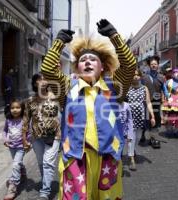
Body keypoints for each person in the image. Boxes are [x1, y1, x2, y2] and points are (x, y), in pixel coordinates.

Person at [41, 19, 136, 199]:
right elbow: (48, 70)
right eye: (83, 60)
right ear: (77, 67)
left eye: (93, 59)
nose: (88, 62)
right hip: (76, 158)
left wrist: (114, 36)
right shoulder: (68, 88)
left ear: (103, 67)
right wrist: (58, 43)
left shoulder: (115, 88)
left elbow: (130, 65)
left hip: (108, 157)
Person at [22, 73, 61, 200]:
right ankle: (46, 182)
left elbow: (62, 116)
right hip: (36, 137)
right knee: (41, 163)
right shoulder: (29, 101)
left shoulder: (55, 97)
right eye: (39, 79)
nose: (43, 81)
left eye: (45, 79)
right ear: (34, 83)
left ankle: (45, 192)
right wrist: (24, 138)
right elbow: (26, 120)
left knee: (48, 163)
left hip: (53, 136)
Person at [126, 69, 156, 169]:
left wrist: (152, 115)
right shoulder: (127, 87)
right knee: (131, 137)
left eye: (137, 75)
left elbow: (148, 102)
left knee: (138, 137)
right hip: (129, 117)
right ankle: (131, 159)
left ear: (140, 76)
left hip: (140, 117)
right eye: (133, 75)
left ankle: (133, 150)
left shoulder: (144, 88)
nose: (135, 76)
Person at [3, 99, 28, 200]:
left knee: (15, 164)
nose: (15, 110)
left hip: (21, 147)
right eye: (13, 108)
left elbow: (29, 132)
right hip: (11, 147)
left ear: (22, 109)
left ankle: (12, 187)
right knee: (17, 163)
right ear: (10, 109)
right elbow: (4, 131)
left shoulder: (24, 120)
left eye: (18, 107)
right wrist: (5, 139)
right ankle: (22, 172)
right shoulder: (8, 120)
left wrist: (28, 141)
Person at [141, 55, 164, 148]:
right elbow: (140, 89)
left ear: (158, 65)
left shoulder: (161, 77)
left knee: (156, 119)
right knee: (147, 119)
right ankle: (144, 133)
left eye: (155, 64)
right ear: (149, 66)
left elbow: (164, 88)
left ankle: (154, 139)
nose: (154, 65)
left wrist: (167, 97)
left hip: (157, 102)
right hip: (146, 102)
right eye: (152, 64)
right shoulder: (144, 77)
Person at [119, 101, 135, 170]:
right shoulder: (111, 104)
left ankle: (131, 159)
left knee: (130, 143)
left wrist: (130, 134)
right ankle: (119, 166)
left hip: (125, 130)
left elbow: (130, 120)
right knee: (119, 149)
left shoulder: (126, 105)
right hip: (116, 133)